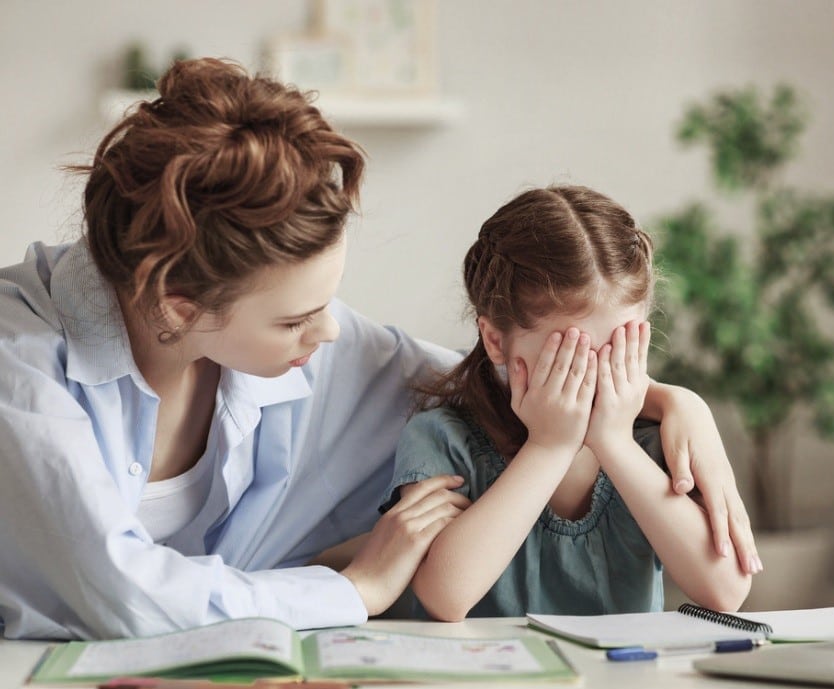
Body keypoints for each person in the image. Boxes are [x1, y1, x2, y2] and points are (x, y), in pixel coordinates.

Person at [0, 58, 756, 641]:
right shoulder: (22, 368)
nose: (329, 334)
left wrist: (669, 402)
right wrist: (356, 589)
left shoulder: (302, 345)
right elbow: (123, 596)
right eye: (297, 320)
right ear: (178, 304)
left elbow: (488, 378)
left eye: (329, 302)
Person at [376, 186, 757, 621]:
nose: (594, 376)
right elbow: (445, 598)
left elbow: (726, 591)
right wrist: (549, 447)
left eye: (618, 349)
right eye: (569, 357)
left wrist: (614, 441)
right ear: (496, 340)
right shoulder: (441, 438)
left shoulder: (656, 439)